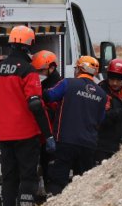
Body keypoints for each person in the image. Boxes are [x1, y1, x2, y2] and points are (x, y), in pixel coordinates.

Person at [0, 25, 55, 206]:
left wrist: (6, 114)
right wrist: (48, 134)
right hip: (27, 135)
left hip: (5, 136)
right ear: (29, 44)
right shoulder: (28, 71)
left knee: (9, 178)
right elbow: (36, 105)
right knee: (28, 176)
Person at [42, 55, 107, 195]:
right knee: (83, 183)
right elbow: (100, 119)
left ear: (80, 69)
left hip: (65, 141)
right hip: (88, 145)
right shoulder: (102, 94)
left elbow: (49, 96)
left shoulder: (68, 83)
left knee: (58, 180)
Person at [92, 58, 122, 166]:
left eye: (118, 80)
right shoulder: (100, 91)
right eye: (112, 79)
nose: (114, 83)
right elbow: (102, 117)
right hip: (102, 146)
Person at [31, 50, 63, 198]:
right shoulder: (41, 84)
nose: (39, 73)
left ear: (52, 67)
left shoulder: (59, 86)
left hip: (53, 134)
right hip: (42, 134)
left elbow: (57, 112)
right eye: (37, 71)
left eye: (42, 70)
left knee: (51, 168)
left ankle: (52, 194)